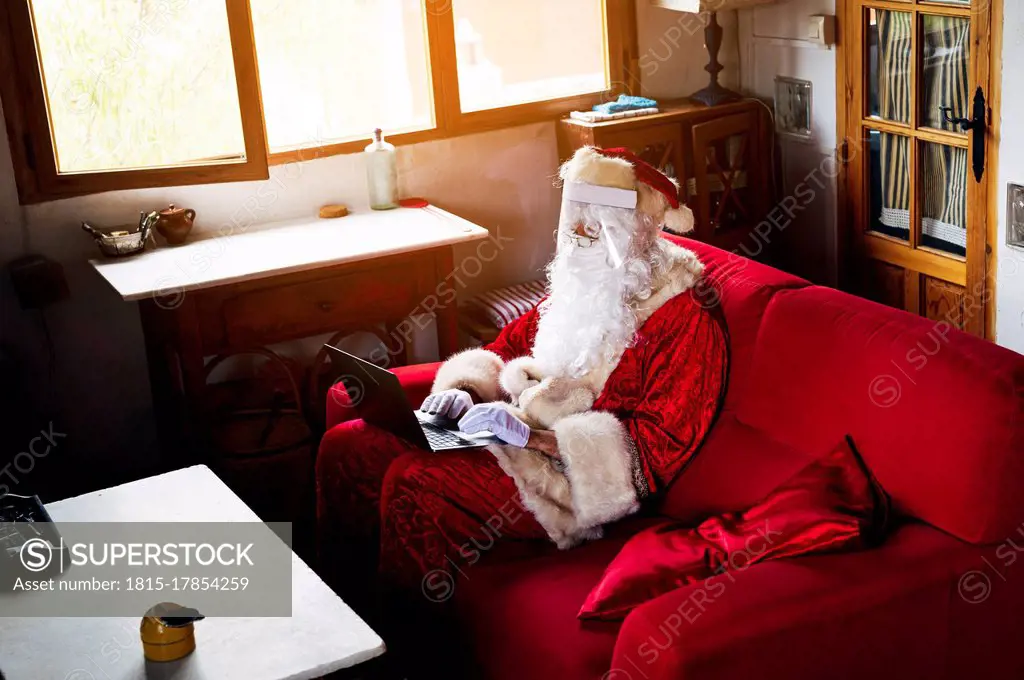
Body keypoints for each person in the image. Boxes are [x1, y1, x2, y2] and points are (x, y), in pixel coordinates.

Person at [317, 146, 728, 593]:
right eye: (575, 213)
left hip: (578, 486)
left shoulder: (685, 320)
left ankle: (397, 648)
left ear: (645, 226)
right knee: (349, 445)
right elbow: (503, 349)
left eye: (597, 219)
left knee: (414, 480)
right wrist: (465, 392)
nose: (577, 230)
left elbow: (653, 457)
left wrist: (533, 439)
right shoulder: (579, 288)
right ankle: (341, 610)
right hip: (511, 439)